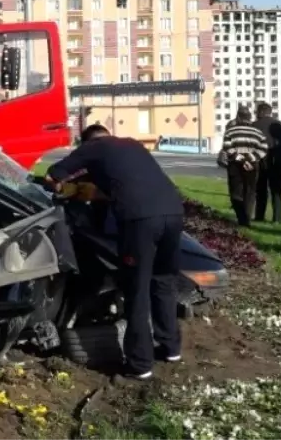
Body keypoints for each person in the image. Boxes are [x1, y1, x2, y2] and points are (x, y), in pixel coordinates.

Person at [45, 124, 184, 380]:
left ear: (86, 143)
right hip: (174, 213)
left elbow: (53, 175)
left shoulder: (93, 148)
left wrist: (66, 188)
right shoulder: (131, 144)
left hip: (140, 220)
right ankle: (170, 347)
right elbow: (126, 180)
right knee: (163, 282)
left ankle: (140, 364)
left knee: (136, 289)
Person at [220, 106, 268, 226]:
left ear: (238, 117)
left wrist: (241, 159)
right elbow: (263, 148)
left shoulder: (230, 131)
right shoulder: (258, 133)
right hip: (252, 166)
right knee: (250, 192)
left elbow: (227, 147)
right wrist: (251, 159)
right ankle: (247, 218)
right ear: (250, 118)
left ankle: (242, 218)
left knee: (236, 193)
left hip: (235, 166)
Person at [252, 103, 281, 223]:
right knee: (276, 191)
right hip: (277, 162)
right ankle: (277, 217)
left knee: (261, 190)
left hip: (259, 162)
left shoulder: (255, 125)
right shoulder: (279, 125)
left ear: (259, 112)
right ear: (270, 112)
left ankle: (260, 215)